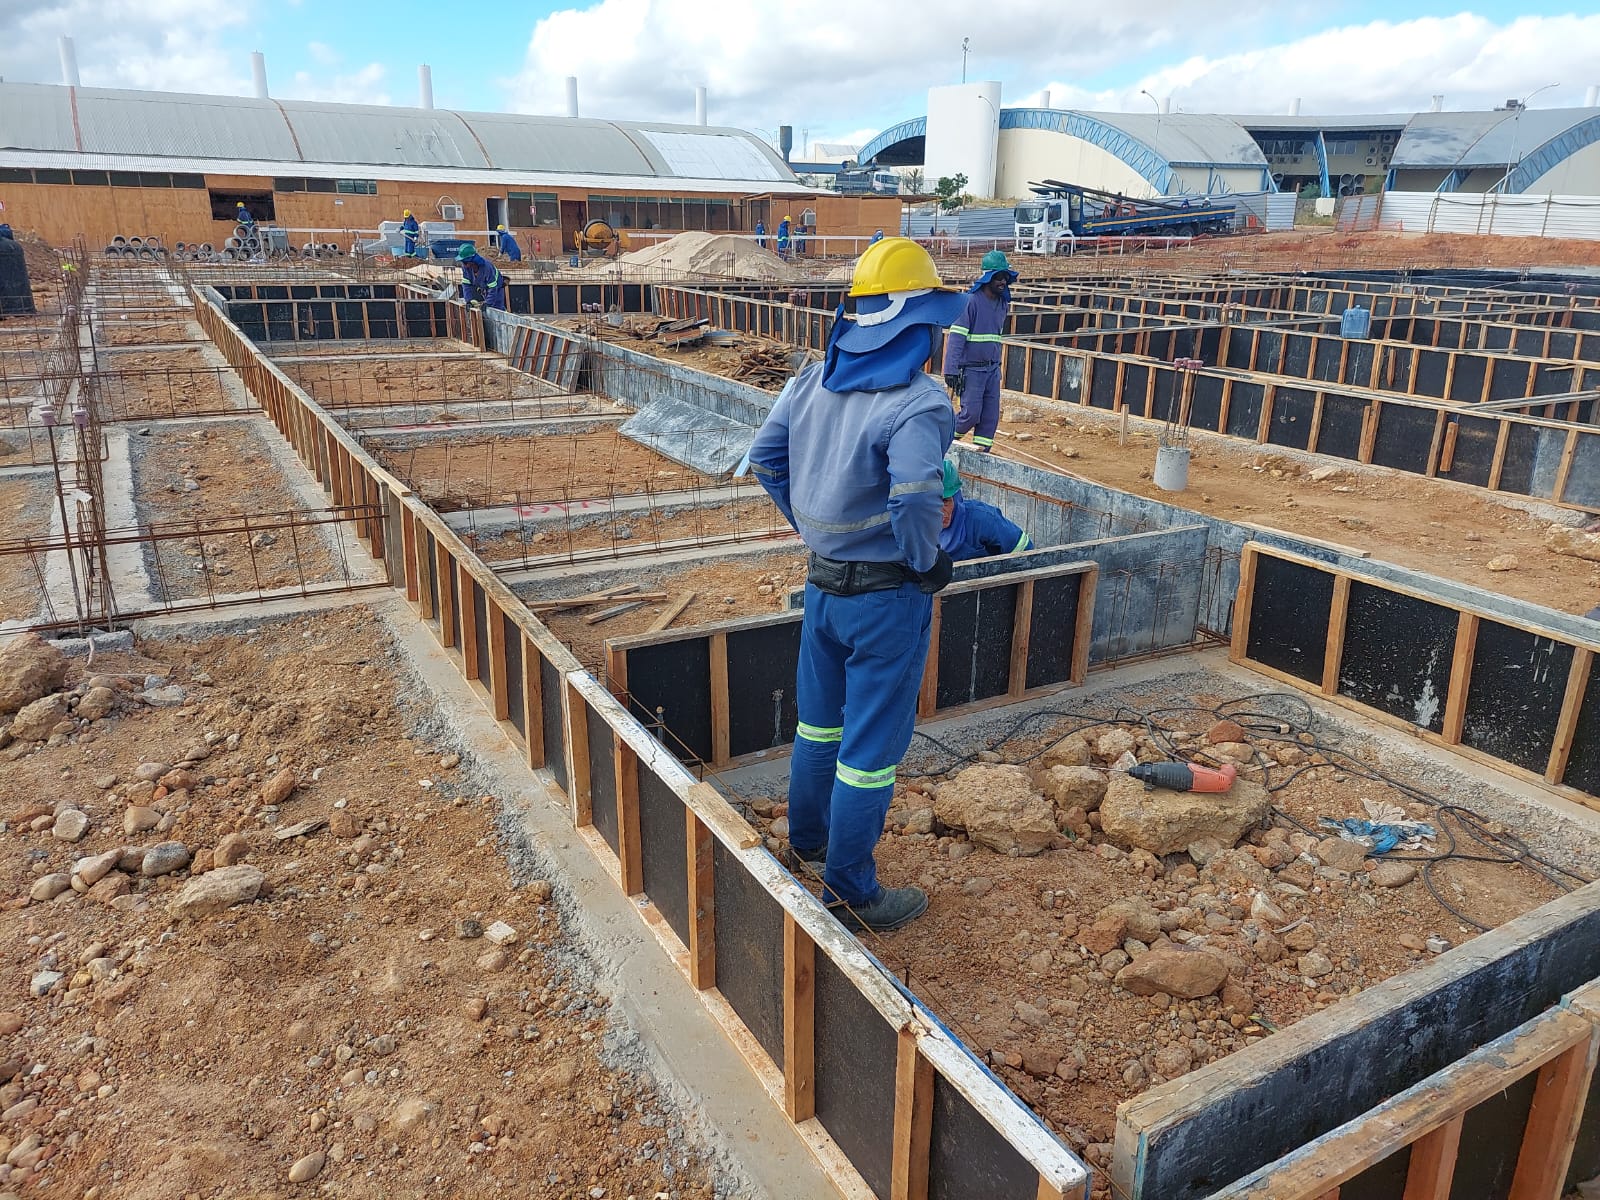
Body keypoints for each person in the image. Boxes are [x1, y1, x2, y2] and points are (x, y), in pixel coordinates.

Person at [746, 237, 964, 934]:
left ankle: (808, 846)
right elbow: (915, 499)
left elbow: (765, 459)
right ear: (919, 326)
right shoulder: (920, 403)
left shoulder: (812, 381)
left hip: (824, 591)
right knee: (868, 754)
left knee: (818, 726)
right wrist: (924, 559)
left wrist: (811, 526)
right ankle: (851, 891)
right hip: (884, 600)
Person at [943, 249, 1018, 453]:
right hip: (972, 371)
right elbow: (957, 337)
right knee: (971, 414)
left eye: (1005, 277)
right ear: (988, 278)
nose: (1003, 282)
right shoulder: (970, 302)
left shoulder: (1002, 304)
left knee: (989, 418)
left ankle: (982, 456)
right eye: (999, 277)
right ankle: (942, 443)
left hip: (992, 370)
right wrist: (950, 370)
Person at [938, 460, 1031, 561]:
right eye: (932, 504)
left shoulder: (981, 519)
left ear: (956, 499)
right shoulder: (919, 529)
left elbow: (1022, 548)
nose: (940, 511)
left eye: (945, 501)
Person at [456, 243, 506, 310]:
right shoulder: (466, 268)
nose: (463, 265)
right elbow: (466, 284)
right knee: (485, 307)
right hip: (484, 286)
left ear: (472, 261)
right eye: (462, 262)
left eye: (465, 262)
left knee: (496, 307)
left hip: (497, 286)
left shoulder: (487, 267)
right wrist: (468, 300)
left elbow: (493, 288)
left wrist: (488, 303)